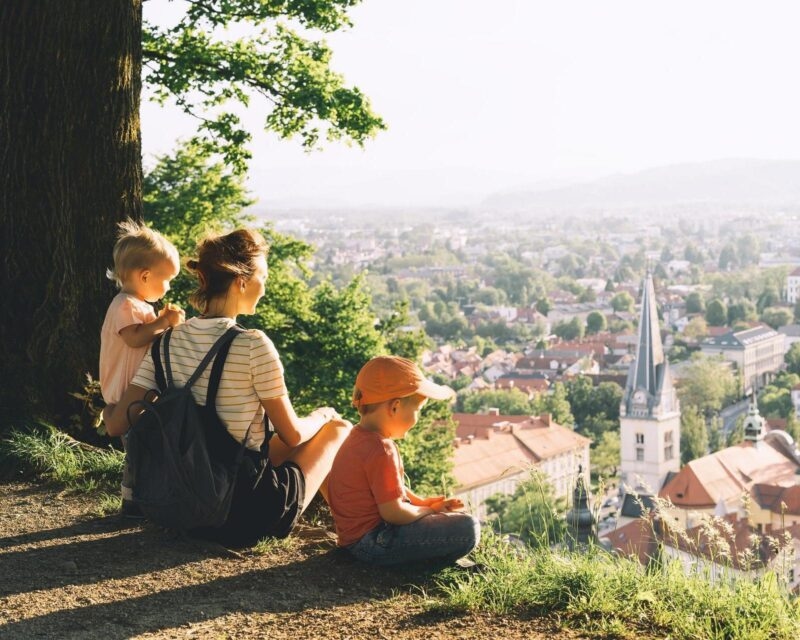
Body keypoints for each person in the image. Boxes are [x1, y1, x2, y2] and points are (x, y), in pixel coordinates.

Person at [104, 228, 351, 547]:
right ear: (242, 281)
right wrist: (322, 415)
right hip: (242, 513)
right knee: (338, 429)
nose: (265, 286)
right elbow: (292, 434)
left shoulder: (166, 341)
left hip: (182, 505)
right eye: (264, 275)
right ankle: (355, 531)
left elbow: (115, 425)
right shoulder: (253, 344)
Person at [328, 356, 480, 566]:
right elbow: (394, 512)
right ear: (395, 407)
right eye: (417, 410)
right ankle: (422, 564)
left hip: (353, 541)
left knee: (449, 523)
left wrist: (425, 503)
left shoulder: (357, 437)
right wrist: (431, 511)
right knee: (468, 528)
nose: (418, 418)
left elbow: (389, 492)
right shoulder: (382, 449)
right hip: (374, 544)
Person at [99, 219, 185, 514]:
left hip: (137, 392)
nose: (169, 286)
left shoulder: (140, 307)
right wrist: (163, 322)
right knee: (136, 448)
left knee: (143, 445)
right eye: (167, 279)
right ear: (145, 276)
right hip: (126, 393)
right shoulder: (124, 305)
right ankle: (132, 500)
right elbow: (135, 339)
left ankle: (144, 494)